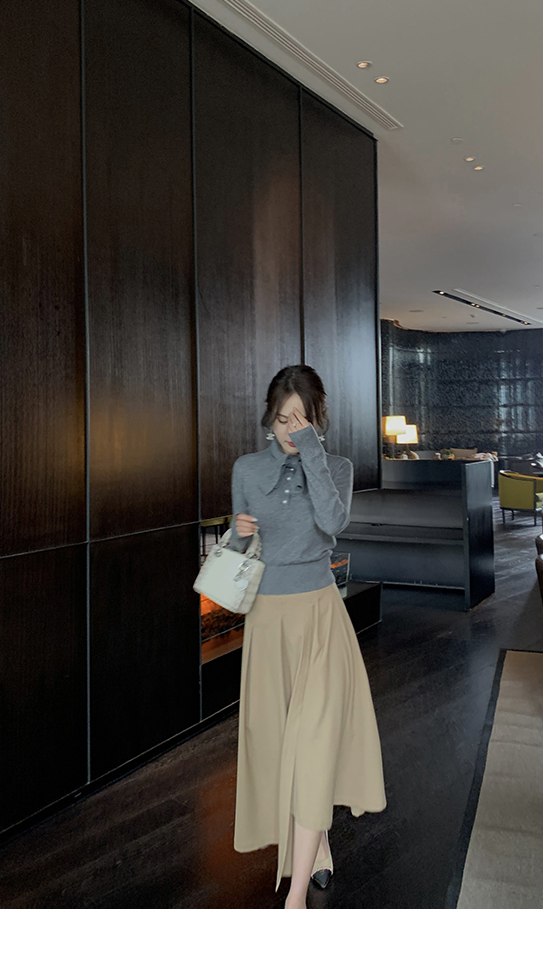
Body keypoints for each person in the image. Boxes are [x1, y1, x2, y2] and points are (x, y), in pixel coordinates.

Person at [228, 364, 387, 908]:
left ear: (318, 420)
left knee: (315, 749)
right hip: (268, 622)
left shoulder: (336, 467)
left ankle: (295, 896)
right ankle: (316, 848)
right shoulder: (247, 469)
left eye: (301, 420)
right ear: (268, 419)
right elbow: (237, 555)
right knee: (280, 751)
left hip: (320, 619)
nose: (289, 430)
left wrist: (312, 452)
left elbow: (331, 523)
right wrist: (237, 534)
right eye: (281, 420)